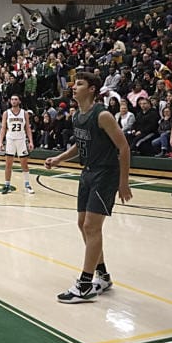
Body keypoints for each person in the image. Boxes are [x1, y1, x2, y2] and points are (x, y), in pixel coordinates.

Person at [45, 72, 132, 303]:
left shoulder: (102, 115)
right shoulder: (77, 116)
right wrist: (59, 158)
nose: (74, 87)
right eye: (74, 84)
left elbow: (123, 147)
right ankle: (103, 276)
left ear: (92, 89)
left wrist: (123, 182)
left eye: (80, 84)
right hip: (87, 172)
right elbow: (79, 145)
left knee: (91, 226)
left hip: (105, 173)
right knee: (82, 225)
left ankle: (85, 284)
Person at [0, 94, 35, 194]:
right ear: (10, 101)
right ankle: (7, 185)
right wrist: (1, 142)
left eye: (16, 99)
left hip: (21, 140)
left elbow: (27, 128)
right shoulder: (6, 113)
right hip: (10, 140)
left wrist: (31, 141)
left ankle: (27, 185)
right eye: (12, 99)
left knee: (24, 164)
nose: (14, 101)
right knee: (8, 164)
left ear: (19, 101)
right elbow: (3, 128)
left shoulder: (24, 113)